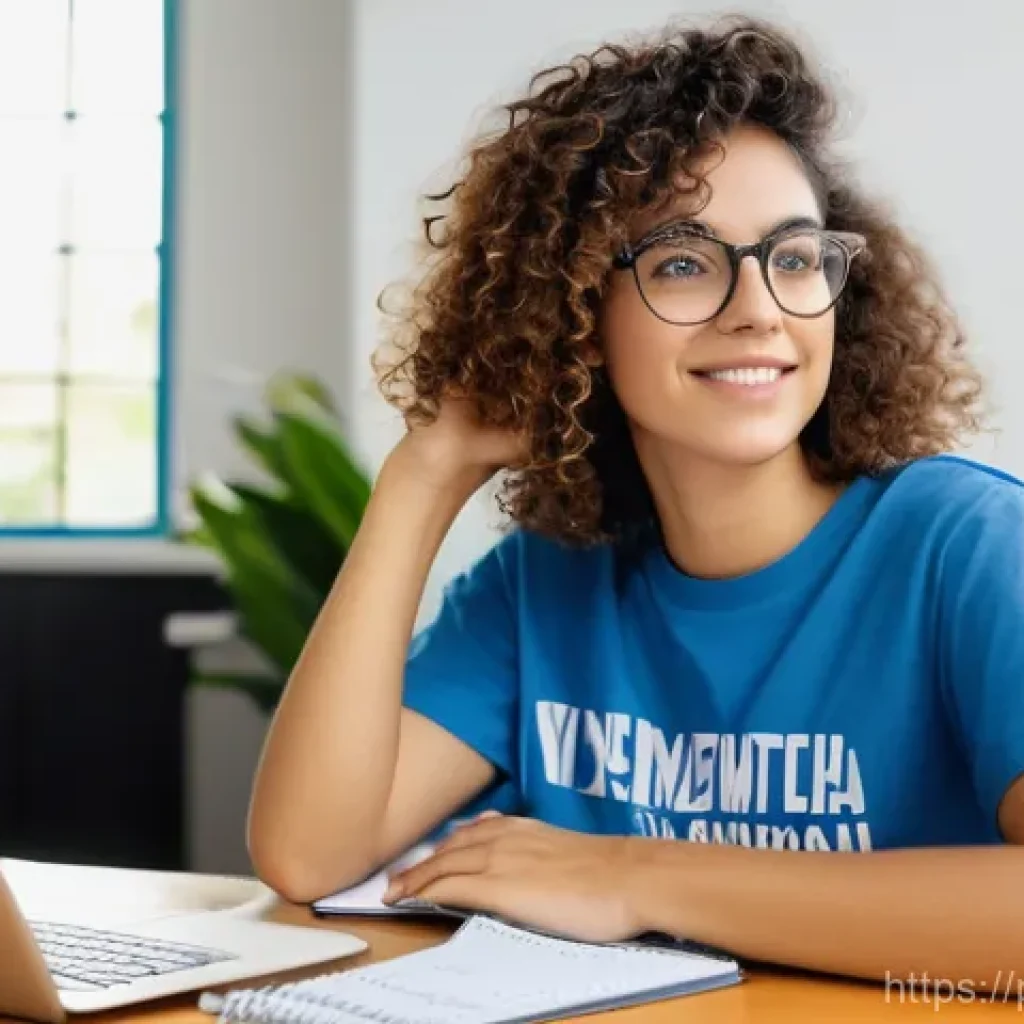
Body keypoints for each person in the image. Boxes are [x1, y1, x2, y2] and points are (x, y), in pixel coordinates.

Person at [247, 14, 1024, 987]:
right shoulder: (544, 584)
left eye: (792, 258)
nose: (759, 311)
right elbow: (307, 854)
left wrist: (631, 874)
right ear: (571, 310)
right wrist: (424, 475)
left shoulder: (969, 544)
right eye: (683, 263)